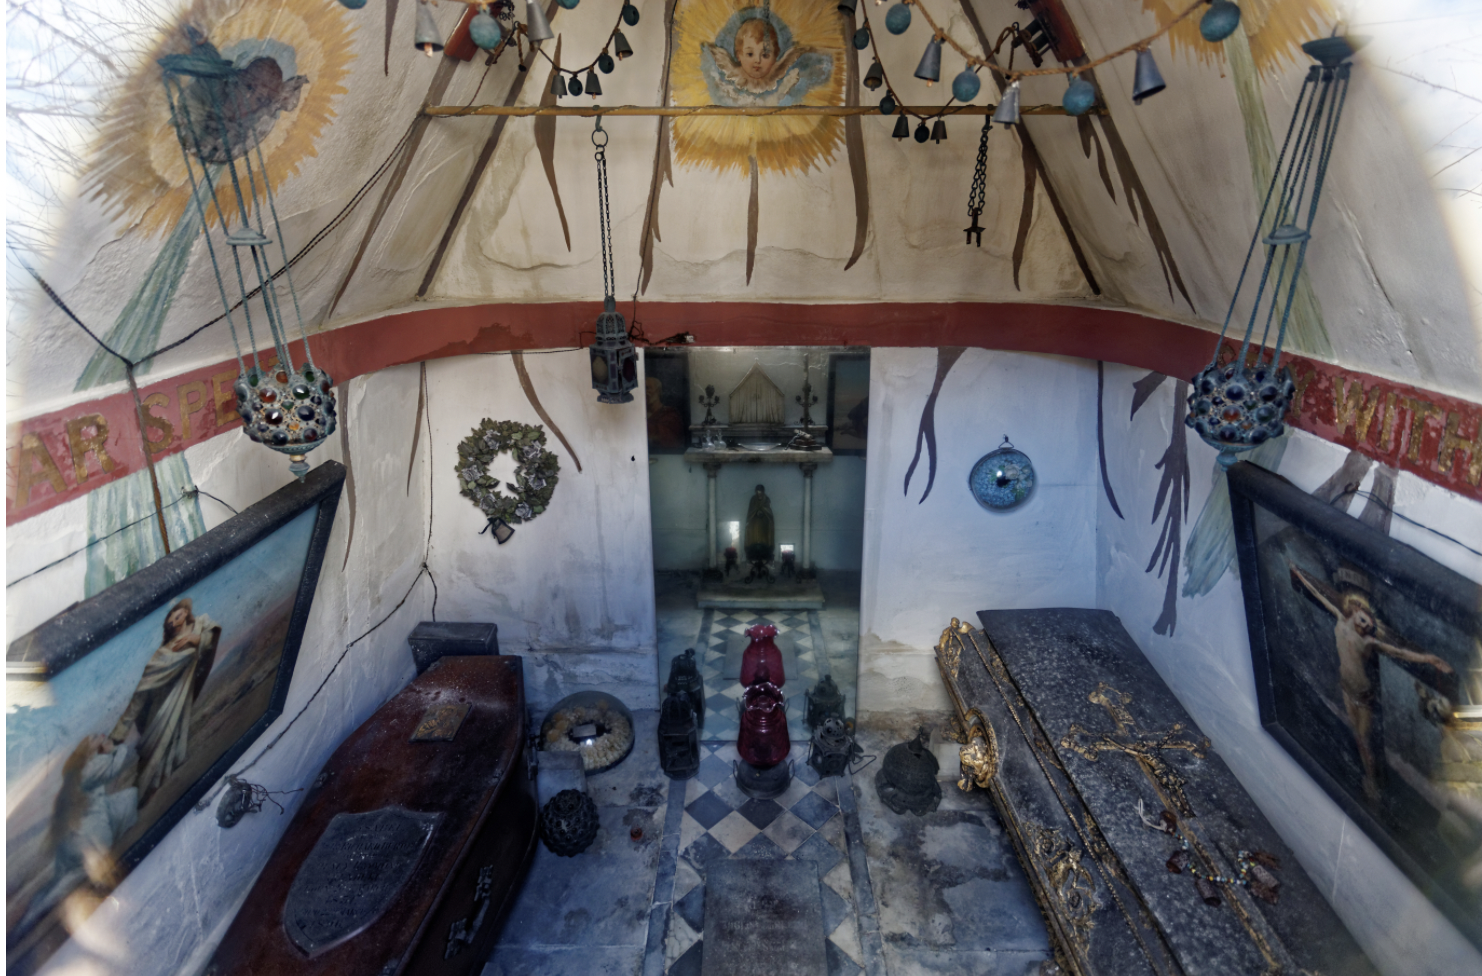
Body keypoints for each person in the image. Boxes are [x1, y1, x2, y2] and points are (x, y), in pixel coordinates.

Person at [1290, 564, 1454, 801]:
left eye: (1369, 624)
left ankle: (1372, 782)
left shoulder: (1368, 643)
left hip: (1364, 696)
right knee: (1356, 734)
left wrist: (1429, 658)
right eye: (1365, 620)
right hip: (1346, 690)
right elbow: (1320, 595)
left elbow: (1399, 652)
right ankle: (1369, 778)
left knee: (1364, 739)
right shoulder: (1339, 619)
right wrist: (1300, 575)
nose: (1367, 626)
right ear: (1355, 610)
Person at [17, 734, 139, 936]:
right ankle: (34, 915)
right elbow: (120, 764)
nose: (100, 735)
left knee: (62, 878)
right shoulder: (91, 767)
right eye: (93, 738)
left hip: (71, 839)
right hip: (91, 838)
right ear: (86, 748)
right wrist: (123, 745)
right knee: (69, 880)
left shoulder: (72, 773)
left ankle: (34, 910)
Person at [109, 597, 221, 806]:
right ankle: (138, 800)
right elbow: (140, 695)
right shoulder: (164, 651)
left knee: (167, 754)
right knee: (150, 753)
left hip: (179, 702)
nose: (175, 621)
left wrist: (194, 640)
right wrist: (118, 734)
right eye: (171, 620)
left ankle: (151, 797)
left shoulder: (199, 627)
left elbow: (210, 636)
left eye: (178, 615)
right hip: (160, 707)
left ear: (186, 613)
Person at [702, 14, 832, 108]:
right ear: (738, 55)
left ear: (775, 56)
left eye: (765, 55)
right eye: (750, 54)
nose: (757, 60)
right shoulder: (733, 78)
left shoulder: (779, 76)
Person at [745, 484, 774, 564]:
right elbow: (750, 511)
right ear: (756, 491)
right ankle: (754, 549)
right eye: (758, 491)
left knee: (763, 536)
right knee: (754, 535)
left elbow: (769, 512)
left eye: (761, 491)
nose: (759, 493)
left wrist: (763, 512)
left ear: (763, 491)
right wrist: (756, 512)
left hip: (764, 523)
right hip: (754, 523)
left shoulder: (766, 499)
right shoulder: (753, 499)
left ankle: (764, 549)